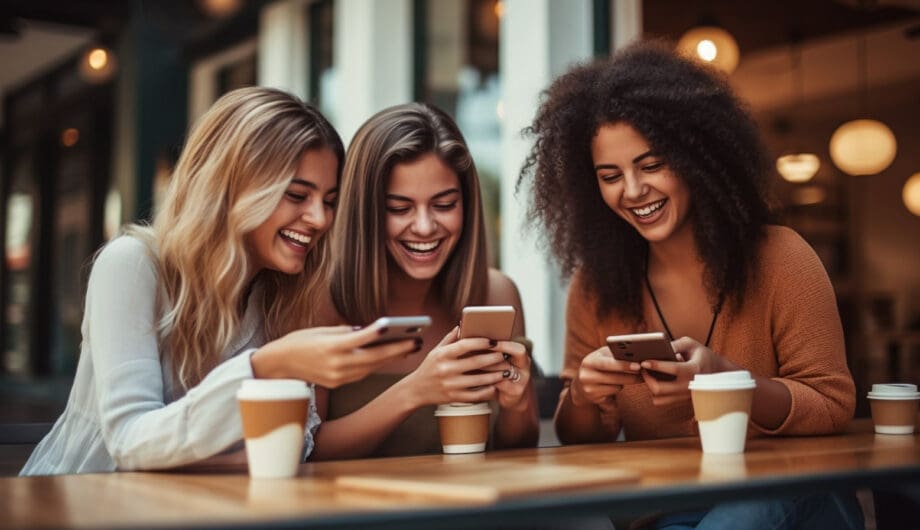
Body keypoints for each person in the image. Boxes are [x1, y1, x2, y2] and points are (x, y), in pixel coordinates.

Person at [519, 42, 862, 529]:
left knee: (753, 506)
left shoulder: (782, 258)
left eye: (652, 165)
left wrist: (727, 380)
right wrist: (583, 395)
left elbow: (832, 406)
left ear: (698, 158)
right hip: (670, 510)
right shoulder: (598, 286)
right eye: (610, 175)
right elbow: (582, 439)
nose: (633, 191)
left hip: (790, 495)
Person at [21, 87, 418, 476]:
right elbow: (129, 441)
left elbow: (296, 445)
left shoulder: (283, 294)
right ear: (232, 187)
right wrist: (268, 365)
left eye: (329, 201)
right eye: (297, 195)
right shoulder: (132, 265)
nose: (320, 219)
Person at [310, 103, 539, 459]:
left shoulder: (495, 293)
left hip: (473, 508)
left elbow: (520, 450)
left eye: (444, 204)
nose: (424, 227)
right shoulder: (319, 301)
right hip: (359, 510)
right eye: (399, 208)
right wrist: (415, 391)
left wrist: (518, 403)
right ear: (364, 213)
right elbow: (307, 453)